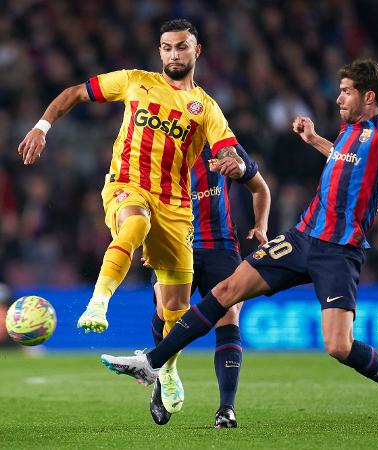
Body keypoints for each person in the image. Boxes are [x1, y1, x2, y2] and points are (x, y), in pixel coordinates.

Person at [101, 59, 378, 432]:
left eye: (345, 91)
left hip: (339, 250)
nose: (338, 99)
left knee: (338, 346)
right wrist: (315, 140)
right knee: (226, 291)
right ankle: (153, 363)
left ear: (369, 95)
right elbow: (344, 161)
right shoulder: (350, 131)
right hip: (301, 238)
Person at [17, 19, 246, 414]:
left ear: (197, 51)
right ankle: (98, 302)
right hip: (127, 185)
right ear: (160, 52)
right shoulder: (134, 81)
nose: (174, 54)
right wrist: (42, 126)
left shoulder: (206, 107)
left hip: (176, 207)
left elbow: (228, 150)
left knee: (174, 309)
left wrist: (231, 164)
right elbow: (74, 93)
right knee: (135, 223)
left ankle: (166, 370)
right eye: (167, 47)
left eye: (181, 47)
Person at [148, 142, 270, 428]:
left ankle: (226, 408)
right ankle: (165, 373)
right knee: (168, 311)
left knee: (230, 314)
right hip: (174, 243)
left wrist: (261, 225)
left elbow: (260, 188)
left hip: (221, 246)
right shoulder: (155, 147)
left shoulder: (225, 147)